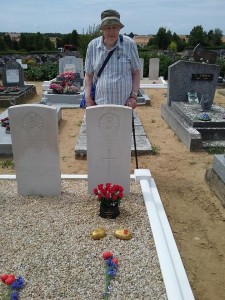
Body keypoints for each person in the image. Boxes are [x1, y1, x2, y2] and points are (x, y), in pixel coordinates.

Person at [84, 9, 141, 109]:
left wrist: (134, 96)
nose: (111, 31)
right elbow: (89, 75)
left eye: (114, 27)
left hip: (124, 106)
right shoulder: (92, 46)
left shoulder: (130, 44)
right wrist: (87, 97)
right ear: (102, 29)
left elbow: (136, 73)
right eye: (107, 28)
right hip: (99, 105)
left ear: (119, 28)